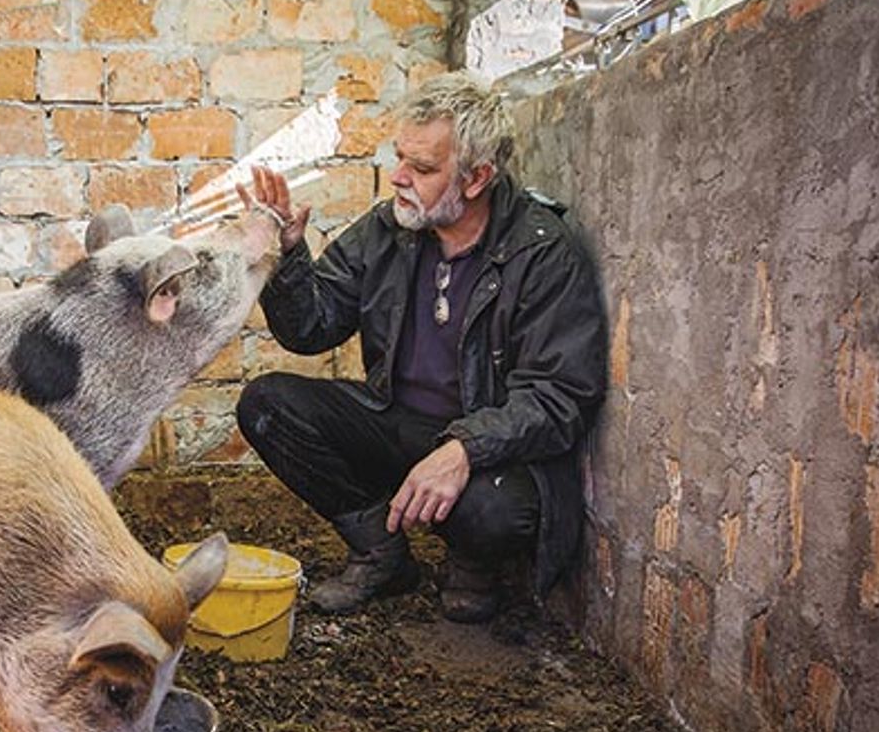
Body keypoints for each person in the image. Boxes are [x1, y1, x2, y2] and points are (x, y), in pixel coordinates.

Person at [234, 71, 608, 623]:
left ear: (477, 177)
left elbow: (561, 395)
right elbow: (310, 330)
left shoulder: (542, 252)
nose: (398, 178)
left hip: (486, 451)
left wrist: (464, 450)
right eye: (400, 158)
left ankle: (473, 561)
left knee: (496, 511)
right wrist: (288, 257)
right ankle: (380, 553)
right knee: (266, 405)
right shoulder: (390, 230)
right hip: (398, 422)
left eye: (423, 168)